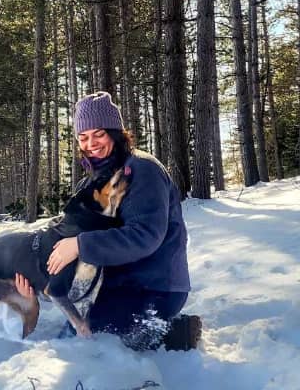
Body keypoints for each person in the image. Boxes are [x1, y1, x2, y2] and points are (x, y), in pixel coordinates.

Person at [16, 91, 201, 350]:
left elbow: (145, 235)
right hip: (111, 284)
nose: (91, 143)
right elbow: (70, 226)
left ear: (115, 133)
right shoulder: (92, 181)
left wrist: (80, 245)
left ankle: (174, 333)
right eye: (83, 137)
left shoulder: (142, 169)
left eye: (98, 134)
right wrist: (32, 273)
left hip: (154, 286)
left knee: (94, 344)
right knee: (72, 336)